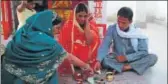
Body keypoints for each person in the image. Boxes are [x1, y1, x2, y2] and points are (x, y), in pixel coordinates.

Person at [1, 10, 93, 84]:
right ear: (47, 26)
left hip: (9, 76)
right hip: (25, 80)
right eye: (57, 28)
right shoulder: (47, 41)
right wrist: (86, 66)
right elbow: (68, 57)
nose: (58, 31)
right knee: (52, 66)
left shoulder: (21, 33)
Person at [94, 7, 158, 75]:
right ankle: (134, 67)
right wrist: (98, 61)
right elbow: (105, 45)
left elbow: (143, 51)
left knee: (153, 57)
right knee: (104, 61)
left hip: (135, 58)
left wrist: (126, 58)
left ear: (130, 21)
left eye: (124, 23)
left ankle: (126, 67)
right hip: (118, 59)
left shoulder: (137, 31)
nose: (120, 25)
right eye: (118, 21)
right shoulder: (112, 29)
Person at [58, 2, 100, 70]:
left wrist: (87, 23)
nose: (82, 19)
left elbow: (89, 41)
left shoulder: (91, 24)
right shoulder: (68, 25)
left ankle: (83, 64)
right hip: (72, 59)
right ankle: (79, 64)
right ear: (75, 15)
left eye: (85, 16)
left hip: (88, 60)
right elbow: (62, 46)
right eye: (80, 16)